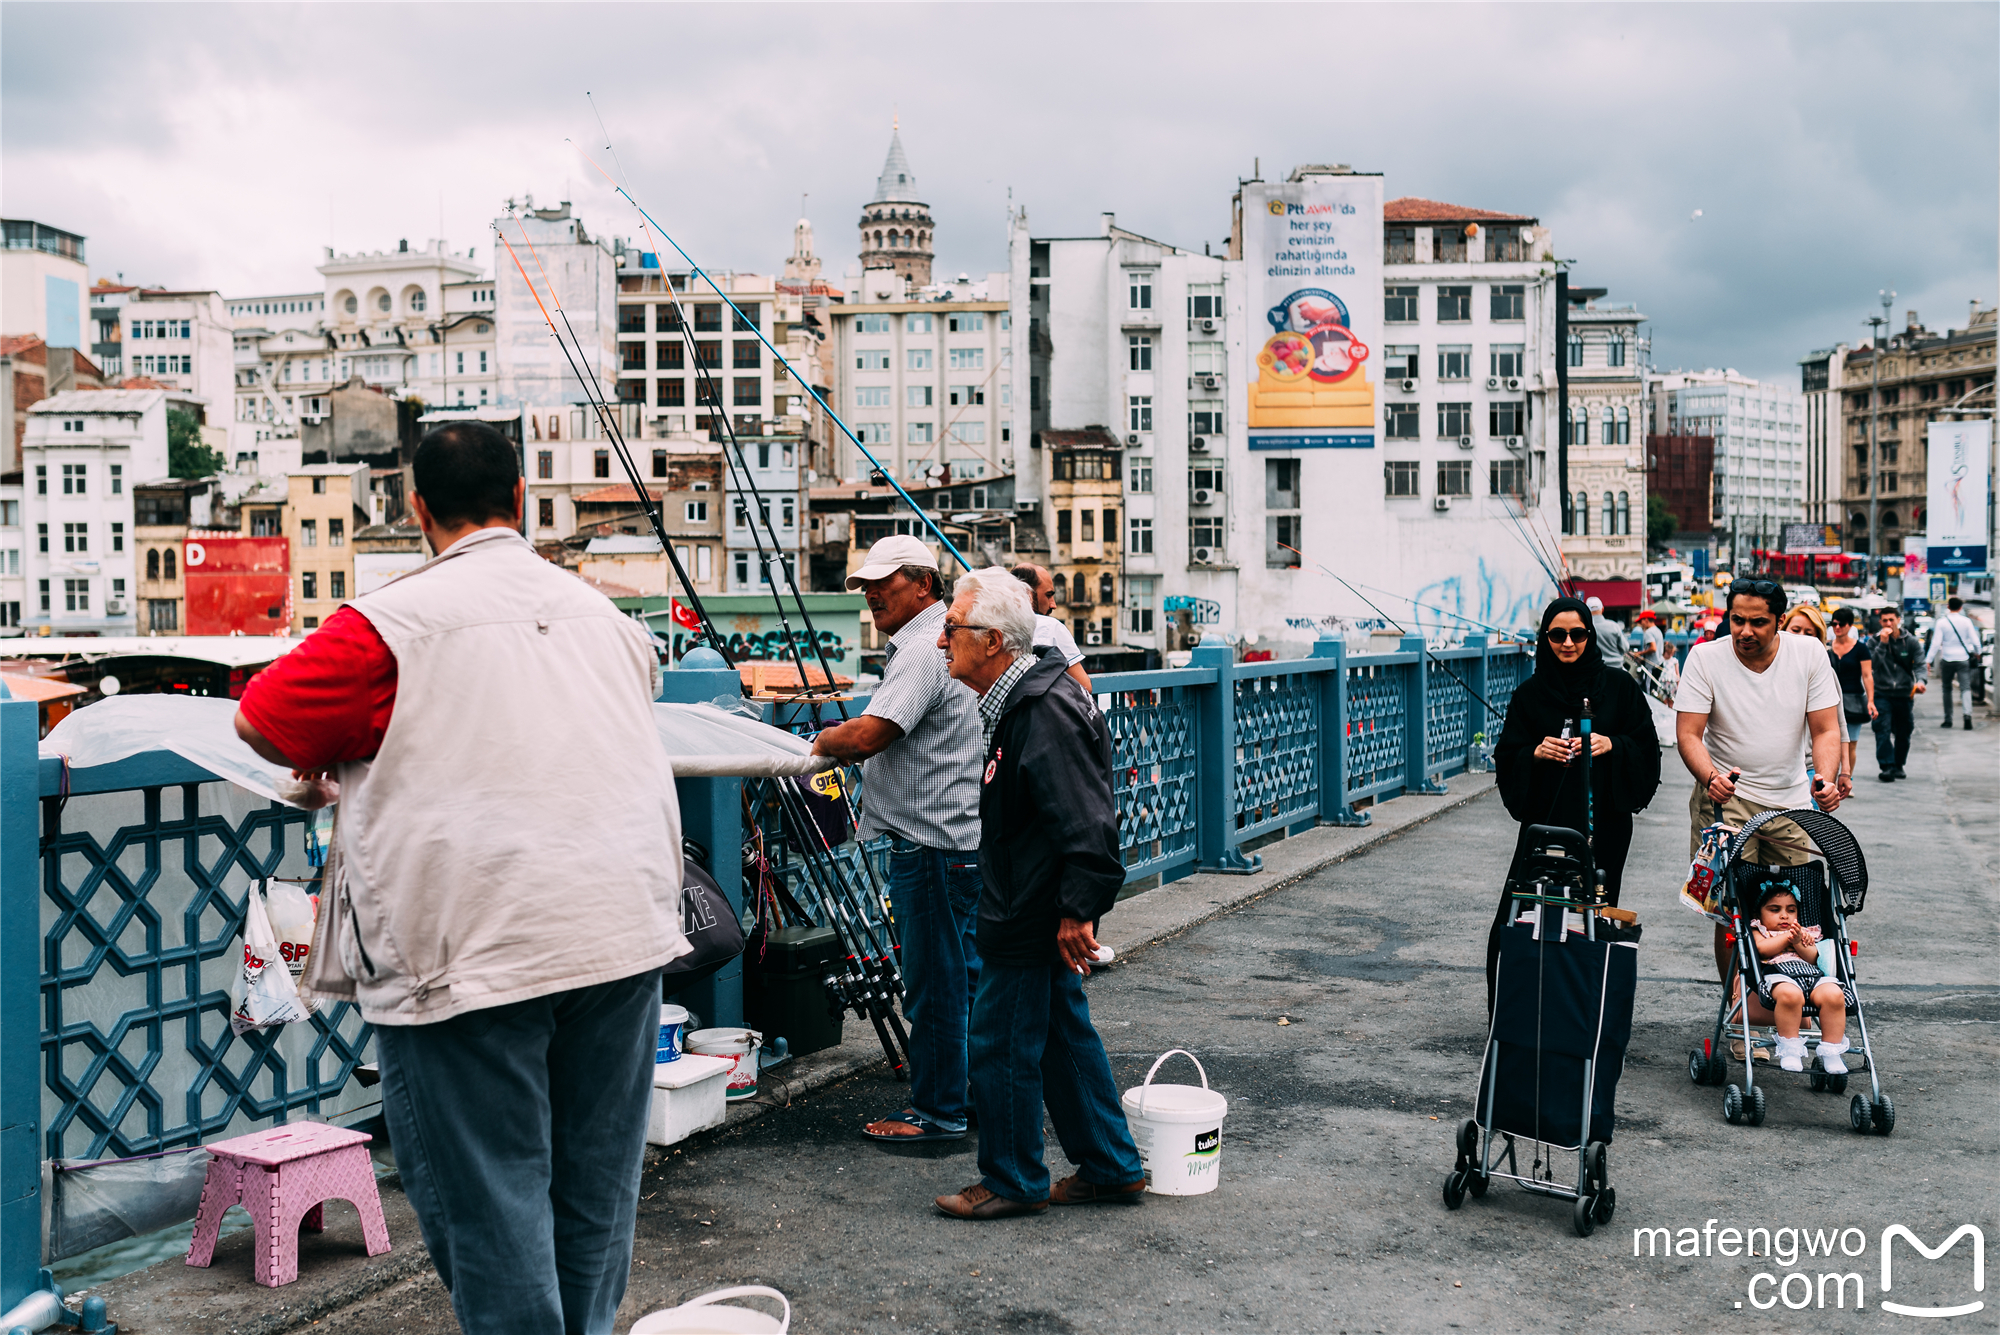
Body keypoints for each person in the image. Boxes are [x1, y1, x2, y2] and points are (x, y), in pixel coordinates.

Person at [233, 422, 689, 1335]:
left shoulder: (386, 625)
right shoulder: (605, 618)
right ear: (520, 500)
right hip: (620, 931)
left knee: (493, 1205)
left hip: (470, 955)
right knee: (595, 1198)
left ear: (415, 510)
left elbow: (264, 722)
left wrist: (336, 766)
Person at [930, 568, 1142, 1219]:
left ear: (992, 640)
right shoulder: (1025, 699)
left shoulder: (1041, 709)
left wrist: (1079, 908)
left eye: (952, 629)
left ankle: (1014, 1177)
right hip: (1032, 902)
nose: (942, 642)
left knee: (999, 1042)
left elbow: (1087, 820)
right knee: (1060, 1037)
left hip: (1029, 911)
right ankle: (1110, 1163)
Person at [811, 535, 983, 1143]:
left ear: (924, 585)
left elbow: (870, 736)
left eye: (885, 582)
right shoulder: (950, 638)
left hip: (931, 843)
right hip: (960, 837)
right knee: (961, 977)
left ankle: (938, 1112)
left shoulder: (921, 648)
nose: (871, 594)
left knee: (934, 984)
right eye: (864, 585)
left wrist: (820, 740)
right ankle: (968, 1098)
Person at [1675, 578, 1845, 988]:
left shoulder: (1808, 654)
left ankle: (1786, 1000)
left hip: (1790, 800)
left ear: (1780, 621)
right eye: (1736, 620)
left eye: (1757, 622)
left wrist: (1824, 779)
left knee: (1789, 906)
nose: (1744, 631)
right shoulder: (1704, 658)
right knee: (1732, 906)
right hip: (1726, 798)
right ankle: (1740, 1009)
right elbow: (1688, 734)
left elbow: (1825, 730)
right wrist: (1710, 777)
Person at [1491, 598, 1661, 1006]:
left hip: (1605, 820)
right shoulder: (1530, 694)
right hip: (1545, 823)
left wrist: (1612, 744)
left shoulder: (1619, 688)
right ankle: (1519, 1005)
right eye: (1557, 635)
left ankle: (1584, 1005)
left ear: (1590, 634)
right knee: (1525, 907)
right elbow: (1507, 754)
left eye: (1578, 634)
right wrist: (1536, 752)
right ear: (1544, 638)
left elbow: (1647, 749)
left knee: (1594, 911)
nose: (1568, 643)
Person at [1748, 882, 1853, 1074]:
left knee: (1834, 995)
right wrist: (1787, 937)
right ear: (1759, 914)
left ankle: (1831, 1052)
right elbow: (1762, 950)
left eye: (1791, 910)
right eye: (1774, 909)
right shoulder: (1759, 931)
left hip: (1812, 975)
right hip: (1780, 976)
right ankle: (1790, 1050)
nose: (1784, 915)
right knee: (1790, 996)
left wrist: (1799, 942)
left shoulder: (1805, 931)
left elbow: (1814, 958)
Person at [1010, 563, 1094, 692]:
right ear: (1027, 594)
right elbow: (1084, 687)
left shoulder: (990, 626)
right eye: (1048, 595)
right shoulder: (1051, 627)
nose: (1053, 605)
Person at [1868, 607, 1926, 779]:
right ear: (1880, 622)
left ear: (1898, 620)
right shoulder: (1874, 641)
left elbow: (1920, 664)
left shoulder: (1911, 642)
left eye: (1891, 620)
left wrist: (1921, 682)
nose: (1888, 624)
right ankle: (1887, 766)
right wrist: (1883, 644)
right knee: (1882, 729)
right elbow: (1872, 665)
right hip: (1882, 693)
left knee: (1904, 731)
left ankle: (1899, 764)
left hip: (1904, 694)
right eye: (1885, 620)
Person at [1826, 606, 1875, 785]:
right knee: (1829, 742)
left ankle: (1847, 778)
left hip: (1853, 698)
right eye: (1834, 624)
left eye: (1841, 624)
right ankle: (1829, 780)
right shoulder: (1826, 648)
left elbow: (1867, 675)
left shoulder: (1860, 649)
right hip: (1829, 700)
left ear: (1850, 625)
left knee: (1851, 743)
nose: (1837, 627)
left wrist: (1870, 701)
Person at [1928, 595, 1980, 731]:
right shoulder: (1967, 621)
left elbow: (1935, 643)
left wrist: (1928, 660)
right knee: (1965, 688)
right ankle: (1967, 716)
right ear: (1961, 607)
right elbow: (1975, 641)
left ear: (1948, 607)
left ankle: (1948, 719)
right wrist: (1977, 652)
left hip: (1947, 659)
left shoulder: (1941, 622)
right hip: (1963, 659)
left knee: (1947, 689)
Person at [1585, 595, 1625, 669]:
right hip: (1616, 667)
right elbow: (1625, 648)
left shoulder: (1584, 627)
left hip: (1593, 669)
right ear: (1602, 609)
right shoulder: (1614, 626)